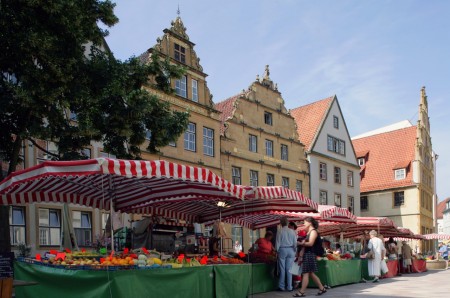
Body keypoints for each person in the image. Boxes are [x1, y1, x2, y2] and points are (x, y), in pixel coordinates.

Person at [294, 217, 327, 297]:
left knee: (305, 273)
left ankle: (301, 292)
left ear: (310, 223)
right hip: (309, 254)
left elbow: (311, 243)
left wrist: (300, 243)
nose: (304, 224)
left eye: (305, 222)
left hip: (310, 254)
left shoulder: (313, 232)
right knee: (311, 273)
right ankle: (322, 288)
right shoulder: (310, 232)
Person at [276, 216, 297, 292]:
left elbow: (277, 242)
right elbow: (295, 243)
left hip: (282, 249)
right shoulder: (292, 231)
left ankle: (281, 286)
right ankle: (289, 287)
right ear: (287, 223)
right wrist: (295, 251)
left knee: (282, 269)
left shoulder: (280, 231)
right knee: (289, 269)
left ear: (281, 223)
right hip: (291, 250)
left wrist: (276, 251)